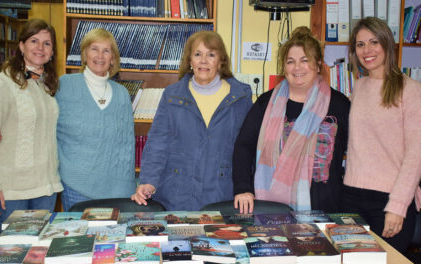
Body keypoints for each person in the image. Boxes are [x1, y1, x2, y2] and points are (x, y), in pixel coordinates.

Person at [233, 27, 350, 214]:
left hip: (326, 210)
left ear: (318, 64)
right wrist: (242, 188)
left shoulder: (339, 105)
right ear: (284, 67)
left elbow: (359, 152)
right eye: (290, 61)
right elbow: (243, 146)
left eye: (305, 61)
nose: (297, 68)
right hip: (272, 210)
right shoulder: (266, 103)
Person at [131, 31, 253, 211]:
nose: (203, 61)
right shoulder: (172, 95)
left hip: (222, 194)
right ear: (190, 61)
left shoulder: (240, 96)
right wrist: (148, 181)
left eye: (211, 54)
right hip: (177, 195)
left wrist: (246, 188)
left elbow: (247, 148)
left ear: (221, 61)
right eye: (197, 54)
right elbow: (158, 142)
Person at [343, 17, 421, 253]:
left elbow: (416, 155)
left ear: (387, 43)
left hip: (389, 201)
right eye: (360, 44)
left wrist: (397, 206)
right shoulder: (358, 87)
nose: (367, 50)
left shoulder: (411, 89)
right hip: (350, 198)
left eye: (374, 42)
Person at [0, 19, 63, 230]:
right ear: (21, 46)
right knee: (14, 254)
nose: (40, 48)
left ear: (52, 51)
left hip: (46, 189)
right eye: (34, 41)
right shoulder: (1, 84)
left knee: (37, 253)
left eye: (47, 43)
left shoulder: (47, 85)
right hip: (12, 191)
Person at [56, 28, 135, 211]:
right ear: (84, 54)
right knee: (80, 239)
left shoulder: (122, 94)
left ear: (113, 59)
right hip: (76, 184)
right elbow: (47, 127)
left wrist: (127, 186)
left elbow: (127, 145)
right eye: (94, 49)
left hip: (116, 189)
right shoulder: (64, 86)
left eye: (106, 50)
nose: (100, 56)